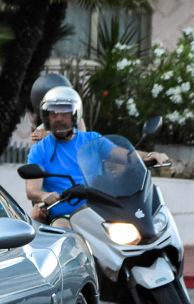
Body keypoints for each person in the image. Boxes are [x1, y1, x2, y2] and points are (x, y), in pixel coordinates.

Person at [25, 87, 167, 229]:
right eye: (54, 113)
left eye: (65, 113)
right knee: (63, 228)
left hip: (98, 211)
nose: (59, 118)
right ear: (47, 117)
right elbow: (32, 190)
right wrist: (44, 195)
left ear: (75, 115)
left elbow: (126, 155)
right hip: (64, 216)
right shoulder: (39, 149)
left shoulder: (92, 140)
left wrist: (149, 155)